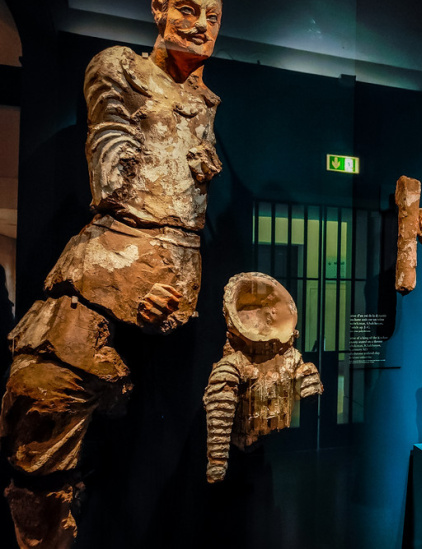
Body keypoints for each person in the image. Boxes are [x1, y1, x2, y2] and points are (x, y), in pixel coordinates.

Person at [0, 1, 223, 546]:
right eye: (188, 10)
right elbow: (113, 180)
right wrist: (137, 276)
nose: (199, 26)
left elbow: (186, 223)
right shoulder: (119, 66)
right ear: (158, 10)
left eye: (212, 17)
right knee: (39, 397)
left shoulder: (205, 102)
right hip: (109, 263)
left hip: (169, 278)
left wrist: (170, 284)